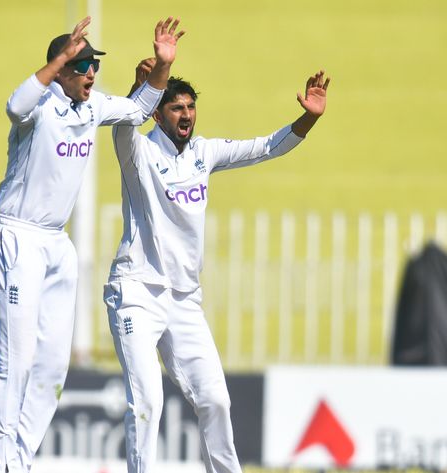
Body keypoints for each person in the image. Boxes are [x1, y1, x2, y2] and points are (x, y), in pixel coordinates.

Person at [0, 16, 185, 473]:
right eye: (83, 65)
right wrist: (55, 63)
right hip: (16, 235)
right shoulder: (40, 105)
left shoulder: (89, 108)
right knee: (16, 360)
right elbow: (14, 106)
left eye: (94, 65)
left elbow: (136, 111)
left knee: (52, 368)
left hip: (56, 244)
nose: (92, 73)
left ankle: (18, 461)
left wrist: (161, 69)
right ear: (62, 68)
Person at [105, 59, 330, 473]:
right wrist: (143, 86)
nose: (186, 115)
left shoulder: (204, 153)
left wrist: (308, 119)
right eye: (176, 108)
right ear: (157, 113)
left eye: (190, 107)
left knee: (215, 401)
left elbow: (265, 146)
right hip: (137, 291)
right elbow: (124, 125)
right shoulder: (138, 150)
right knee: (148, 403)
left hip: (185, 300)